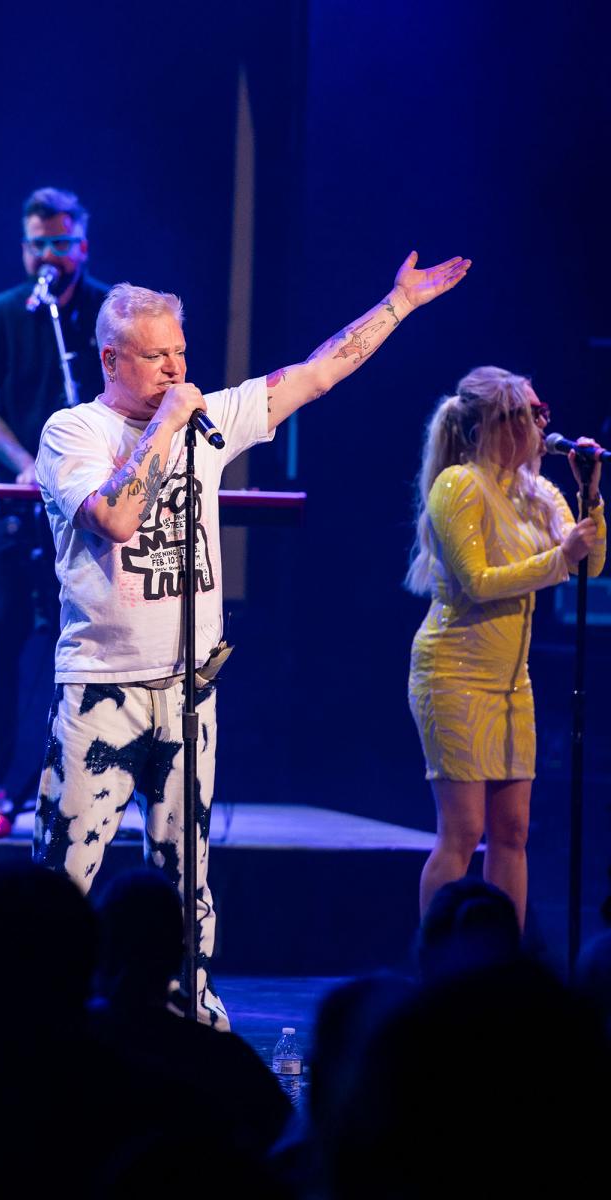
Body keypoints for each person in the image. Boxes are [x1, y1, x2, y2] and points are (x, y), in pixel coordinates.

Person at [34, 250, 470, 1026]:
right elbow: (116, 518)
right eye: (156, 355)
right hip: (101, 688)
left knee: (186, 874)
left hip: (188, 690)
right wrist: (167, 425)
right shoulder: (75, 431)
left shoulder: (208, 422)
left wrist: (398, 304)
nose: (176, 368)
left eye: (180, 351)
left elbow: (317, 373)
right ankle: (39, 1019)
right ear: (110, 359)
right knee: (64, 874)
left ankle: (189, 1016)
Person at [406, 367, 606, 928]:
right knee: (464, 829)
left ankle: (502, 961)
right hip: (454, 671)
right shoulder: (459, 485)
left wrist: (591, 497)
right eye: (530, 413)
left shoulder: (537, 492)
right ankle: (438, 959)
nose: (544, 424)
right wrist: (559, 558)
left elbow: (590, 563)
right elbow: (477, 581)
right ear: (495, 424)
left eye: (543, 413)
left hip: (511, 680)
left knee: (513, 830)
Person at [0, 187, 110, 814]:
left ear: (82, 247)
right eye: (38, 243)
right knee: (0, 633)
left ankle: (99, 783)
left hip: (95, 503)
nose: (48, 255)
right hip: (20, 501)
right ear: (23, 248)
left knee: (95, 638)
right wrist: (26, 465)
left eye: (60, 243)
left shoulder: (108, 311)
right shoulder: (2, 313)